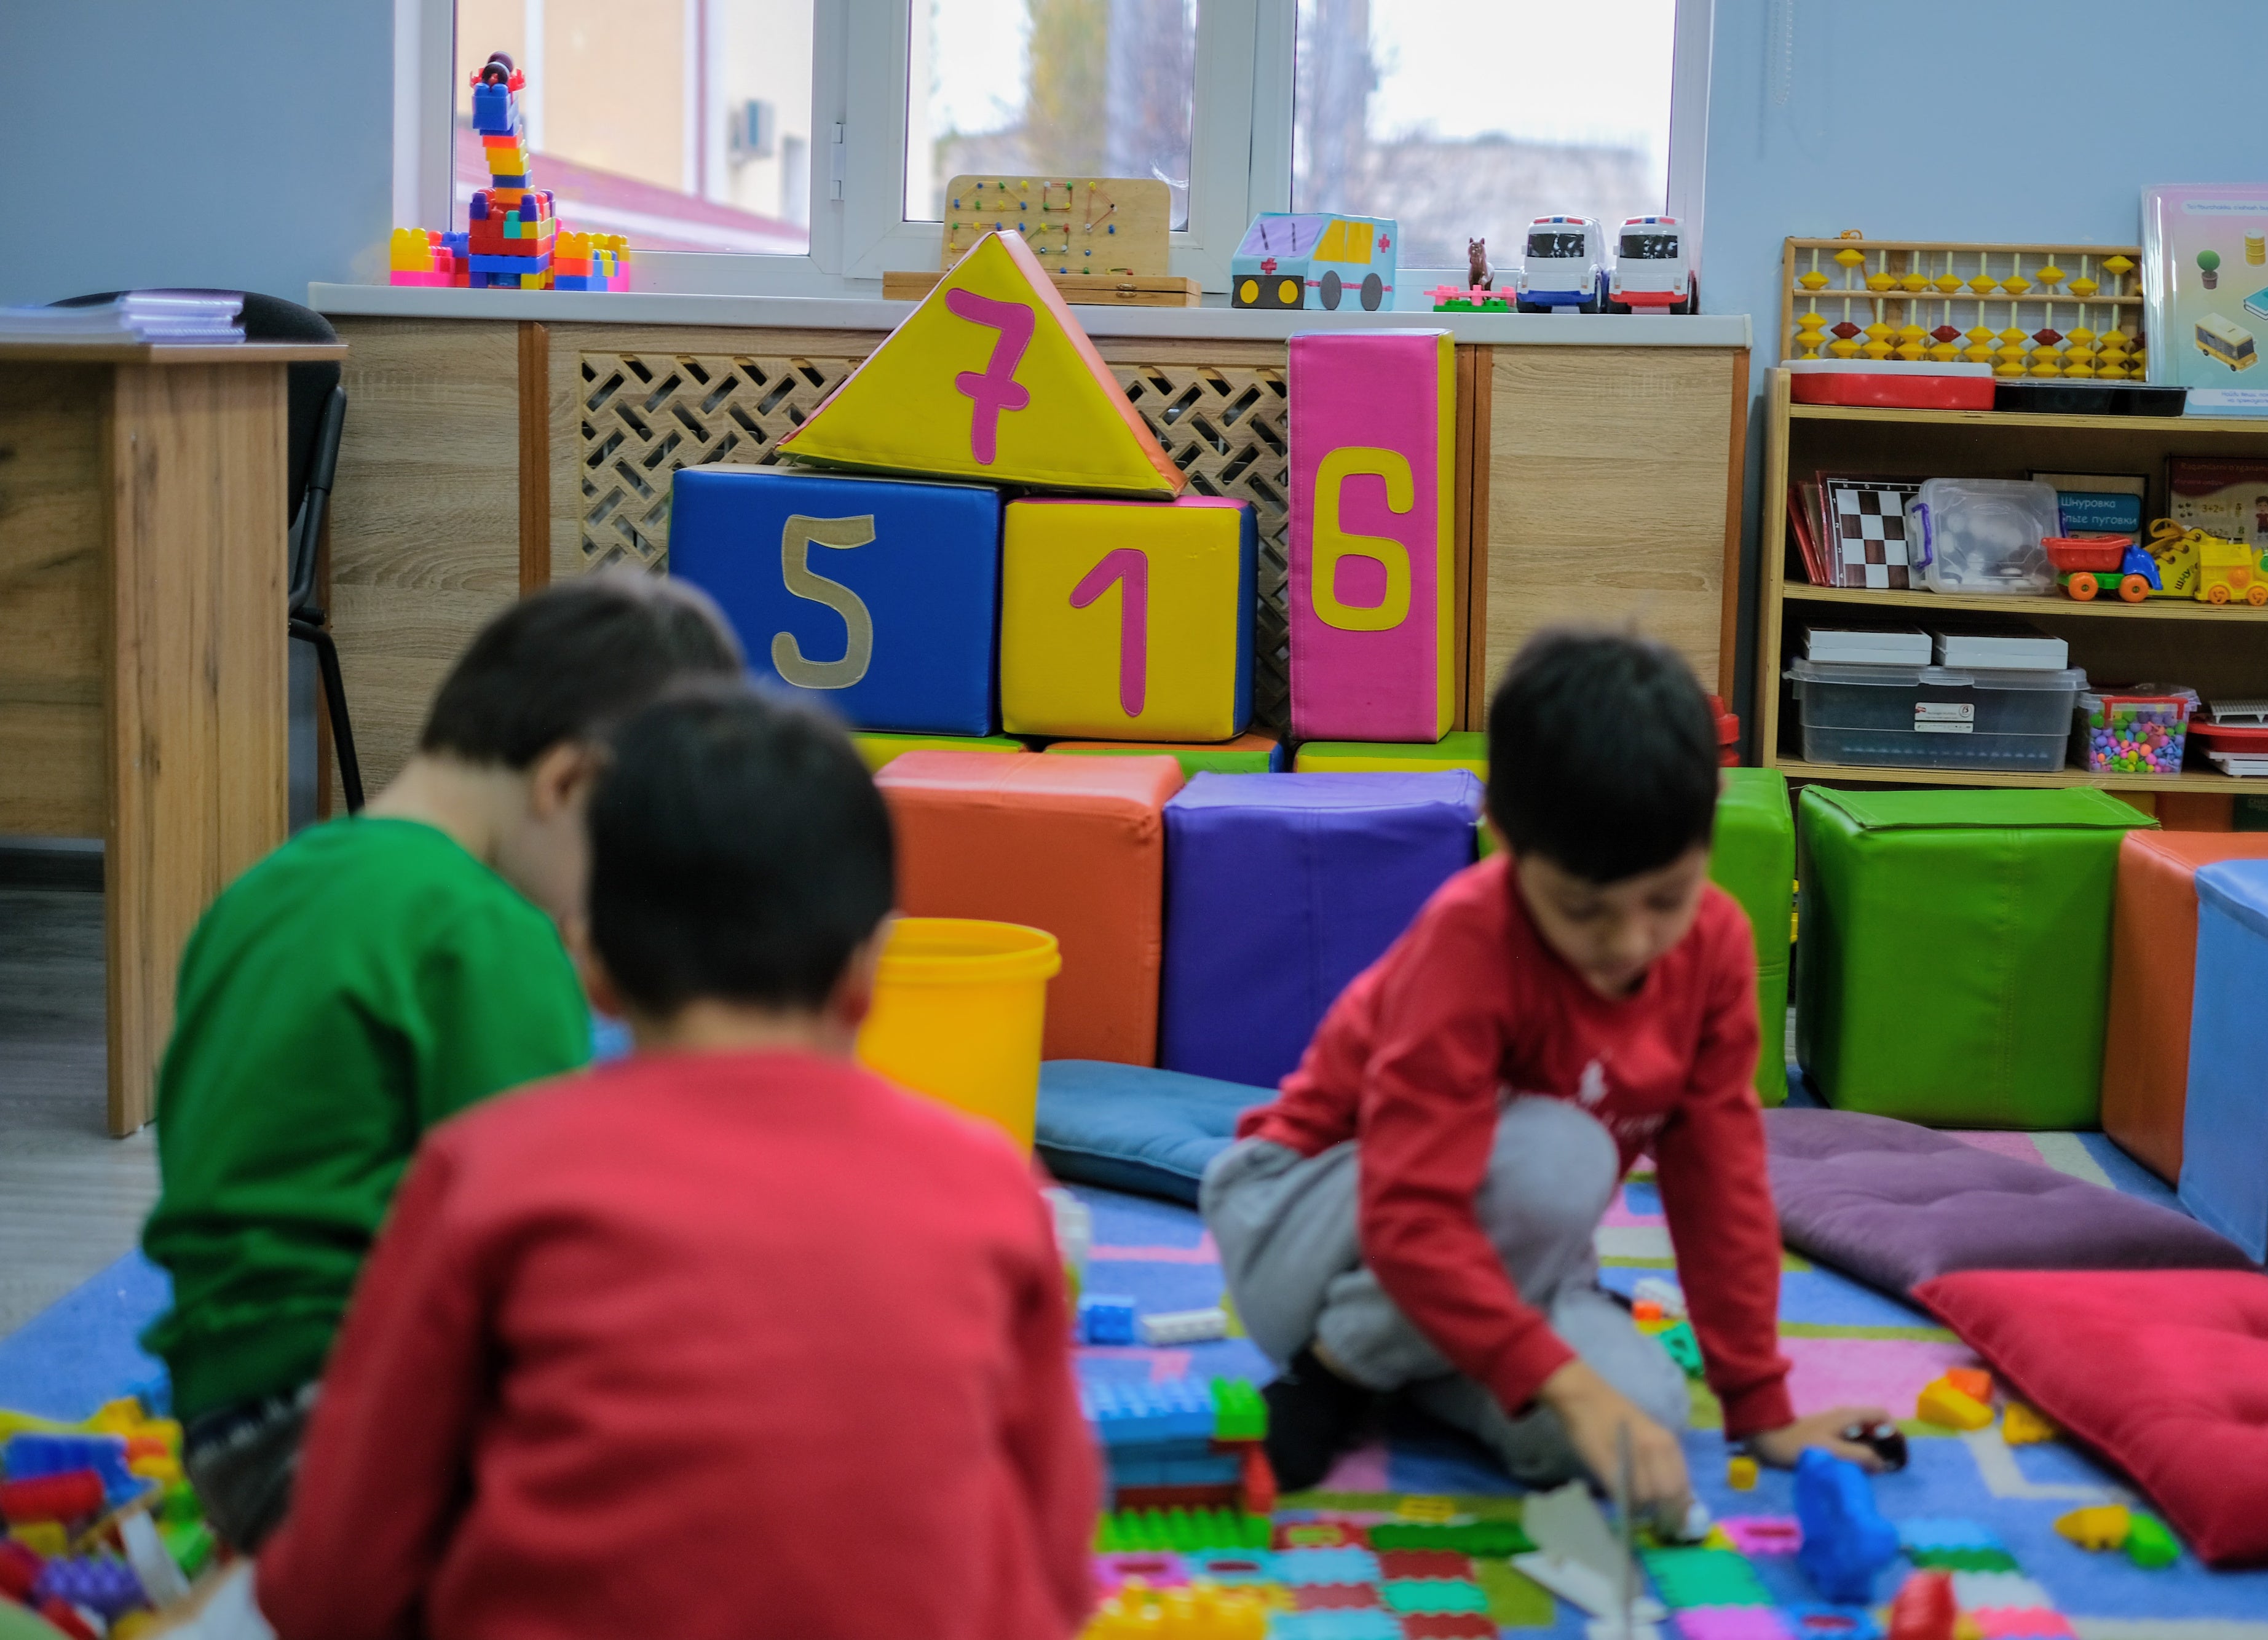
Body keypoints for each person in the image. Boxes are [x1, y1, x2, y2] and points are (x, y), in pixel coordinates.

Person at [252, 685, 1099, 1640]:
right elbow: (1059, 1570)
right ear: (868, 972)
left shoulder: (486, 1171)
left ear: (592, 964)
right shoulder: (990, 1182)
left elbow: (334, 1580)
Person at [1203, 628, 1886, 1521]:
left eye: (1666, 899)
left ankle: (1418, 1368)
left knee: (1643, 1415)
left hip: (1507, 1258)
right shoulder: (1471, 938)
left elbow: (1720, 1185)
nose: (1632, 941)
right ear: (1506, 846)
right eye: (1584, 909)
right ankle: (1330, 1377)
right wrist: (1564, 1381)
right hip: (1306, 1230)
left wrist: (1761, 1410)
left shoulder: (1715, 946)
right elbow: (1412, 1216)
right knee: (1558, 1158)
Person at [141, 572, 743, 1551]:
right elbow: (553, 1253)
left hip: (222, 1427)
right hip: (353, 1444)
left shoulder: (272, 885)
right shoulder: (484, 931)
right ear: (567, 785)